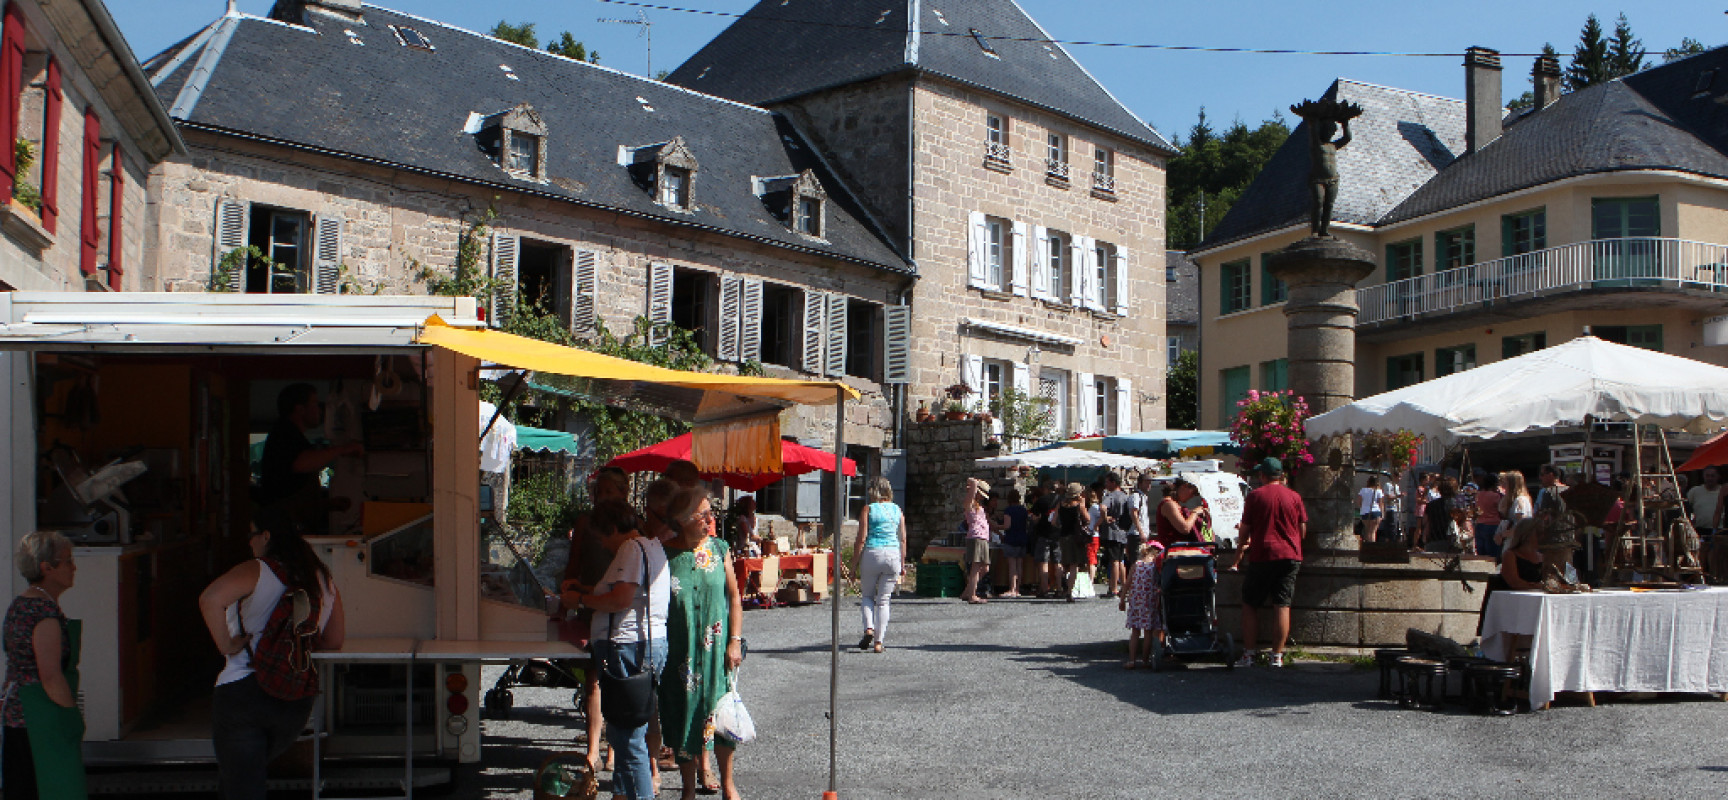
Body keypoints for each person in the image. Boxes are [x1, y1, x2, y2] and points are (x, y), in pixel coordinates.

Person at [199, 507, 345, 800]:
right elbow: (333, 639)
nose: (249, 543)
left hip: (243, 693)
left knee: (241, 786)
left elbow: (210, 598)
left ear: (266, 536)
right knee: (240, 784)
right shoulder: (322, 579)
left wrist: (226, 645)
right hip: (294, 699)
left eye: (251, 535)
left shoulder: (257, 569)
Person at [573, 500, 670, 800]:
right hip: (643, 645)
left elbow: (621, 599)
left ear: (614, 528)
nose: (602, 544)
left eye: (603, 537)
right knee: (628, 735)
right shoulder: (651, 547)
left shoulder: (630, 549)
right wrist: (588, 590)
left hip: (627, 648)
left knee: (629, 742)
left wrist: (580, 600)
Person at [658, 488, 746, 800]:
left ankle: (728, 785)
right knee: (683, 716)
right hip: (679, 652)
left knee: (720, 717)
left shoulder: (720, 548)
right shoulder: (664, 555)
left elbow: (735, 597)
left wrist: (735, 641)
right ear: (682, 521)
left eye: (711, 513)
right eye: (703, 514)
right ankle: (686, 789)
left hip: (717, 652)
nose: (711, 519)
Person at [3, 531, 84, 800]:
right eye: (67, 561)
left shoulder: (20, 605)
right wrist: (72, 718)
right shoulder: (42, 613)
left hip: (17, 717)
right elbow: (50, 676)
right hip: (40, 722)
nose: (73, 567)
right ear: (46, 567)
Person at [560, 467, 630, 773]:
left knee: (617, 680)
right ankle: (592, 749)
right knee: (592, 681)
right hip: (590, 606)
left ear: (623, 494)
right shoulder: (586, 523)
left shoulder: (633, 527)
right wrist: (565, 600)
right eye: (599, 492)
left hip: (621, 609)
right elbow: (573, 564)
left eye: (609, 492)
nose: (602, 498)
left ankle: (613, 748)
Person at [1233, 458, 1306, 669]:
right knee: (1282, 605)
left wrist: (1238, 553)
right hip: (1291, 555)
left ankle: (1249, 654)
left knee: (1250, 603)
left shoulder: (1255, 496)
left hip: (1263, 554)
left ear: (1263, 476)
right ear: (1281, 475)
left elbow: (1244, 530)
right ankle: (1277, 656)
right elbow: (1302, 530)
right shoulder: (1295, 496)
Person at [257, 383, 363, 515]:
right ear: (300, 409)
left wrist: (327, 504)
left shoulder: (293, 435)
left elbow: (293, 485)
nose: (319, 409)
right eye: (315, 403)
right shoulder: (285, 433)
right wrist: (342, 449)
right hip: (282, 524)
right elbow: (300, 464)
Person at [850, 478, 907, 653]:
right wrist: (903, 564)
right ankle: (879, 642)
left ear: (873, 491)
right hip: (892, 555)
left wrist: (853, 565)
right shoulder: (898, 510)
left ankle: (868, 628)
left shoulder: (868, 509)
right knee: (884, 601)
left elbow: (861, 539)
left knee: (867, 596)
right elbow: (903, 539)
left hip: (872, 553)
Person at [1477, 519, 1544, 634]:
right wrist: (1538, 586)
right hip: (1514, 608)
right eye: (1539, 532)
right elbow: (1514, 582)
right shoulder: (1510, 555)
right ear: (1527, 535)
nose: (1543, 536)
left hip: (1536, 606)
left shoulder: (1542, 557)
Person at [1120, 540, 1166, 669]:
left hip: (1136, 602)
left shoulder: (1136, 565)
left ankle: (1132, 660)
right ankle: (1145, 661)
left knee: (1135, 632)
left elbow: (1127, 584)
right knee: (1148, 632)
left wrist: (1122, 599)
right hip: (1150, 602)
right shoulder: (1155, 567)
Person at [958, 478, 992, 604]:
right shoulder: (969, 503)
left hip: (983, 538)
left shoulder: (978, 506)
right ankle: (972, 595)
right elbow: (971, 483)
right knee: (975, 567)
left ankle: (967, 592)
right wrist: (974, 485)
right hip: (976, 537)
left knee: (985, 568)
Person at [1100, 473, 1135, 598]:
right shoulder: (1125, 496)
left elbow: (1103, 507)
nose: (1105, 484)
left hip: (1112, 531)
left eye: (1107, 482)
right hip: (1123, 531)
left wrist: (1105, 518)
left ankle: (1113, 588)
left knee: (1114, 560)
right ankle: (1124, 586)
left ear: (1113, 483)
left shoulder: (1110, 496)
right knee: (1121, 560)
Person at [1028, 480, 1063, 598]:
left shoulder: (1041, 501)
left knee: (1043, 562)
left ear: (1046, 489)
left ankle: (1044, 589)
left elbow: (1034, 518)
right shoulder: (1062, 500)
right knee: (1058, 562)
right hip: (1058, 534)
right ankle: (1059, 588)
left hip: (1043, 534)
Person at [1056, 483, 1091, 602]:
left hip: (1063, 536)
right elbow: (1088, 518)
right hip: (1075, 537)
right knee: (1073, 565)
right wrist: (1084, 505)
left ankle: (1060, 586)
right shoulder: (1079, 506)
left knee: (1063, 563)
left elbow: (1054, 521)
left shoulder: (1060, 504)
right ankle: (1069, 592)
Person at [1687, 468, 1721, 581]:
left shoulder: (1722, 491)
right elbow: (1686, 507)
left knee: (1715, 556)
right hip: (1699, 529)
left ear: (1717, 477)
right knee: (1700, 555)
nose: (1710, 478)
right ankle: (1700, 578)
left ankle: (1715, 578)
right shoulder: (1695, 491)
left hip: (1718, 529)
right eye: (1708, 476)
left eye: (1713, 476)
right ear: (1704, 477)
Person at [998, 489, 1030, 598]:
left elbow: (1007, 526)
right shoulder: (1023, 510)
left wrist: (997, 527)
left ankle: (1012, 589)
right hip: (1022, 539)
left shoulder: (1009, 510)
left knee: (1012, 566)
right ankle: (1018, 589)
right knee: (1019, 565)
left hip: (1011, 539)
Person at [1157, 479, 1204, 550]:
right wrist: (1195, 513)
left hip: (1181, 551)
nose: (1193, 496)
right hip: (1174, 553)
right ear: (1184, 486)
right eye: (1193, 492)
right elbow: (1184, 528)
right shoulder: (1168, 504)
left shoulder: (1174, 504)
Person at [1420, 476, 1464, 553]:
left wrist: (1424, 538)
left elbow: (1425, 522)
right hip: (1453, 542)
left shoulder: (1431, 505)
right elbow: (1463, 524)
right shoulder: (1458, 505)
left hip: (1434, 540)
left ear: (1440, 490)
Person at [1474, 473, 1504, 559]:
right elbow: (1501, 511)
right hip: (1493, 525)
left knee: (1481, 554)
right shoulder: (1496, 496)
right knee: (1493, 554)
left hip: (1480, 525)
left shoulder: (1478, 495)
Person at [1357, 476, 1384, 544]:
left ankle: (1367, 547)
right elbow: (1381, 504)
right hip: (1375, 512)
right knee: (1373, 532)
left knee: (1367, 531)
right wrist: (1382, 515)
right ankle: (1372, 548)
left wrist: (1363, 508)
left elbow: (1359, 502)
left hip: (1365, 512)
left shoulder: (1363, 490)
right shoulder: (1378, 491)